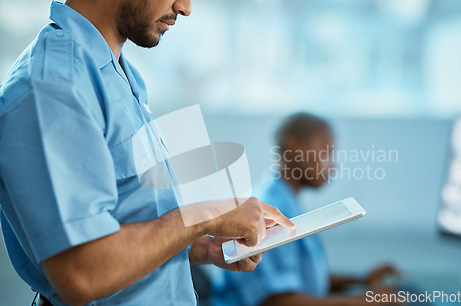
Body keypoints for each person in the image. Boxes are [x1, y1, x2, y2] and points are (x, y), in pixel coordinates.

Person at [0, 1, 294, 305]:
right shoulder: (53, 88)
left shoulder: (119, 73)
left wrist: (205, 246)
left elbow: (127, 220)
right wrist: (203, 216)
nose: (185, 7)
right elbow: (81, 271)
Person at [211, 113, 402, 306]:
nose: (333, 165)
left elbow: (302, 279)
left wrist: (360, 280)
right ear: (296, 147)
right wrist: (362, 302)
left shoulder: (288, 201)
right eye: (326, 153)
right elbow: (278, 301)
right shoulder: (269, 209)